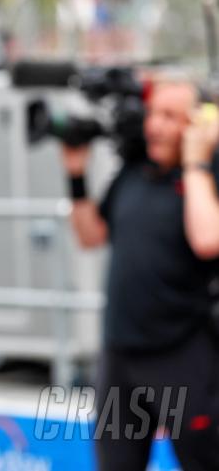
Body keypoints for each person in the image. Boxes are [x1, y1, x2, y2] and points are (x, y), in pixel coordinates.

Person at [62, 79, 219, 470]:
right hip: (120, 358)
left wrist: (197, 162)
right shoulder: (133, 173)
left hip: (181, 356)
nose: (154, 126)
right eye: (153, 114)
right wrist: (76, 176)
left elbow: (207, 239)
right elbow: (90, 235)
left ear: (198, 124)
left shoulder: (206, 179)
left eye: (170, 116)